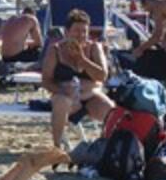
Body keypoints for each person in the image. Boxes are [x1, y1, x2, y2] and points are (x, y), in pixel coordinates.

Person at [41, 9, 114, 146]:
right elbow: (46, 80)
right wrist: (62, 90)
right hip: (65, 95)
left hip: (90, 95)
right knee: (61, 102)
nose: (81, 35)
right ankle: (57, 146)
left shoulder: (94, 47)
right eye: (76, 31)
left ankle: (106, 145)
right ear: (67, 32)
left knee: (110, 110)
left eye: (84, 31)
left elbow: (102, 76)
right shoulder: (55, 50)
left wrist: (83, 60)